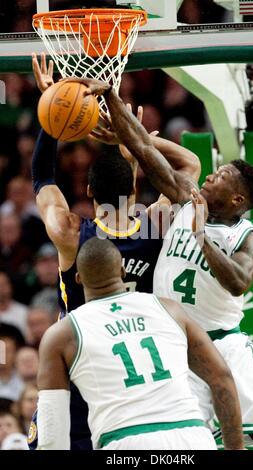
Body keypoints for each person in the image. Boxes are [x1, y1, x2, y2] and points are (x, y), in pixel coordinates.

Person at [77, 77, 253, 450]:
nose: (211, 175)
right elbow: (145, 148)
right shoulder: (186, 197)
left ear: (237, 198)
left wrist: (200, 236)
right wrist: (112, 97)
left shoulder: (247, 236)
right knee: (189, 441)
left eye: (222, 177)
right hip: (177, 347)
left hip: (222, 345)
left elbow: (239, 282)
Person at [29, 54, 200, 449]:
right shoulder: (158, 223)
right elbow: (190, 165)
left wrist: (53, 109)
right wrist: (132, 135)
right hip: (137, 378)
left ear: (88, 192)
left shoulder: (71, 232)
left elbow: (42, 177)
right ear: (136, 189)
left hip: (76, 366)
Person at [36, 237, 244, 450]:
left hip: (125, 441)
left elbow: (52, 423)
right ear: (123, 271)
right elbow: (222, 378)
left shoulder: (61, 334)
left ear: (79, 279)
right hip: (191, 436)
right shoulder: (169, 309)